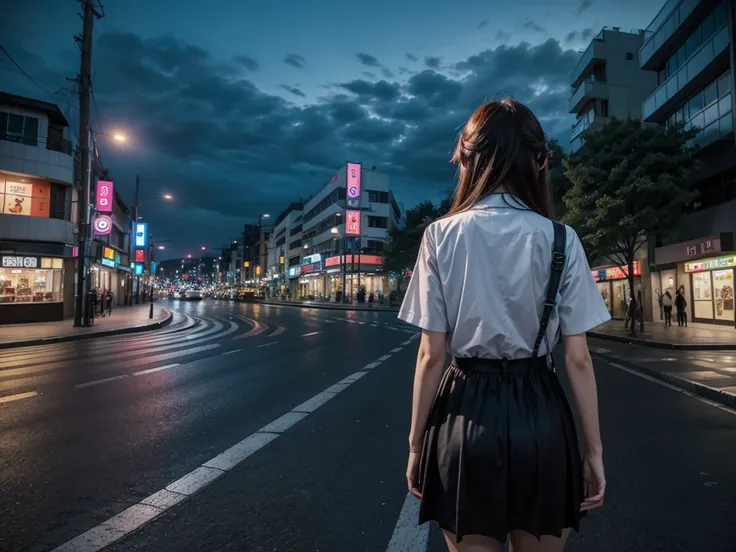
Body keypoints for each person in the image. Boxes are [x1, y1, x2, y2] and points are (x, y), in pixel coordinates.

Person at [399, 99, 609, 552]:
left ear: (469, 160)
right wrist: (593, 453)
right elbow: (577, 359)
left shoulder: (439, 234)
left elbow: (431, 355)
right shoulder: (561, 238)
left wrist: (417, 446)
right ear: (539, 161)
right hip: (541, 415)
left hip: (463, 411)